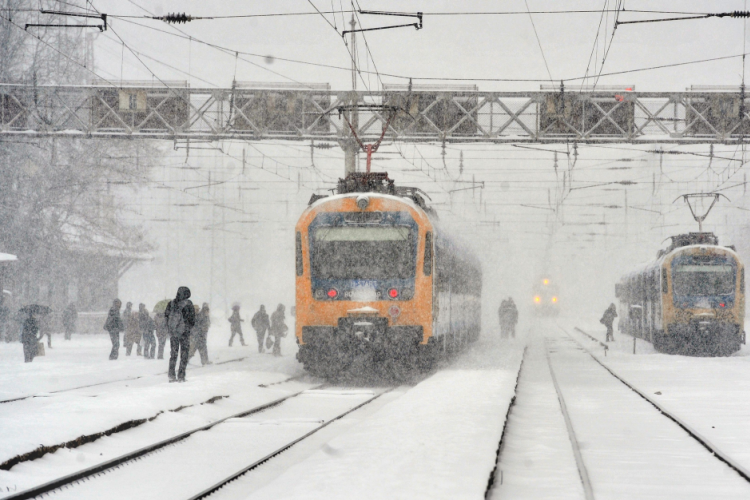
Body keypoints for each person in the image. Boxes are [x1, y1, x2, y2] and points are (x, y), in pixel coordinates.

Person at [165, 286, 195, 382]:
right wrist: (187, 327)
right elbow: (192, 319)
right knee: (184, 354)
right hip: (184, 333)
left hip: (174, 333)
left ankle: (171, 375)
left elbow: (166, 316)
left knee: (173, 354)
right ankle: (181, 375)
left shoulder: (171, 303)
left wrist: (171, 328)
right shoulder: (188, 304)